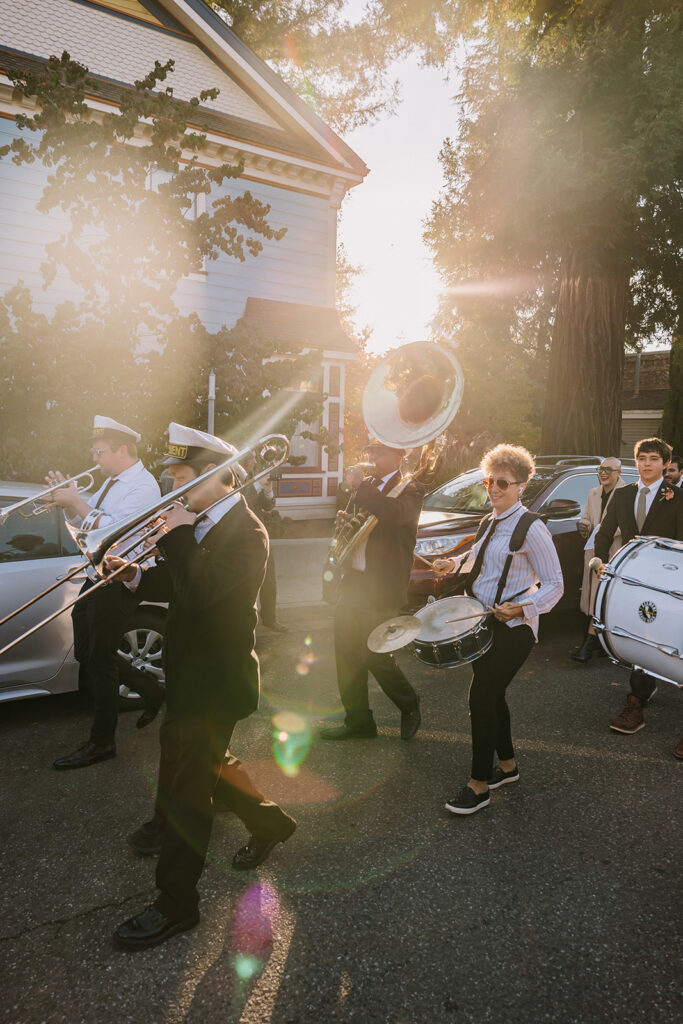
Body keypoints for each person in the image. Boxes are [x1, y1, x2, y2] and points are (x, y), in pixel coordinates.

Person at [111, 423, 296, 951]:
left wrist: (172, 533)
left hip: (215, 682)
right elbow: (178, 583)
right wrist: (135, 578)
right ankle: (271, 825)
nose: (174, 487)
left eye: (182, 476)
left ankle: (176, 905)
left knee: (184, 791)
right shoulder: (200, 523)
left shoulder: (248, 533)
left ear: (216, 476)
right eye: (172, 476)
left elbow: (202, 590)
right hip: (191, 674)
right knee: (210, 767)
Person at [433, 444, 563, 815]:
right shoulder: (489, 521)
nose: (493, 488)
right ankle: (507, 767)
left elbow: (556, 584)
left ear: (521, 486)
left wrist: (523, 606)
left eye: (503, 483)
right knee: (494, 697)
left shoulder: (532, 528)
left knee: (481, 699)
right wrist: (453, 562)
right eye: (490, 480)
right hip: (483, 621)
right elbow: (479, 557)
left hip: (515, 629)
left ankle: (478, 785)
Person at [49, 415, 162, 770]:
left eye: (99, 452)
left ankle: (102, 742)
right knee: (85, 652)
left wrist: (79, 503)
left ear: (122, 450)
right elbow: (86, 533)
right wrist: (69, 503)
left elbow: (121, 535)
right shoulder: (110, 483)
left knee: (99, 661)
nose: (94, 458)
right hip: (94, 575)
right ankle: (151, 687)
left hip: (118, 581)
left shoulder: (143, 486)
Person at [320, 440, 423, 742]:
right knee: (346, 654)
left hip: (382, 585)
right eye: (370, 452)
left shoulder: (410, 489)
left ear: (400, 455)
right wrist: (346, 521)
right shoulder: (367, 489)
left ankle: (409, 704)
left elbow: (395, 515)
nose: (372, 458)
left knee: (375, 652)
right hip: (353, 580)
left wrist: (363, 490)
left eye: (380, 452)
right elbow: (358, 524)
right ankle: (359, 721)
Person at [594, 437, 683, 738]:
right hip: (633, 580)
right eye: (642, 458)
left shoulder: (678, 496)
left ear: (666, 464)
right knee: (641, 635)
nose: (647, 463)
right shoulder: (622, 495)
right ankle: (637, 700)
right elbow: (604, 534)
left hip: (669, 582)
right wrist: (598, 562)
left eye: (654, 459)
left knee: (676, 641)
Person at [572, 457, 625, 662]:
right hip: (593, 550)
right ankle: (602, 643)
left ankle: (589, 642)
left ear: (618, 472)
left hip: (614, 549)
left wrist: (604, 530)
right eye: (600, 469)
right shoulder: (593, 493)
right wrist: (584, 524)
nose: (603, 473)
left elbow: (628, 523)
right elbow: (587, 517)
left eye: (608, 470)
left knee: (604, 596)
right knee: (594, 594)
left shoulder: (626, 493)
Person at [241, 451, 287, 633]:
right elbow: (242, 499)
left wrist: (267, 489)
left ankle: (270, 618)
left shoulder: (253, 477)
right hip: (240, 536)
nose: (255, 460)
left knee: (269, 577)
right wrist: (258, 485)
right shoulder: (235, 477)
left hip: (259, 533)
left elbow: (267, 506)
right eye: (251, 457)